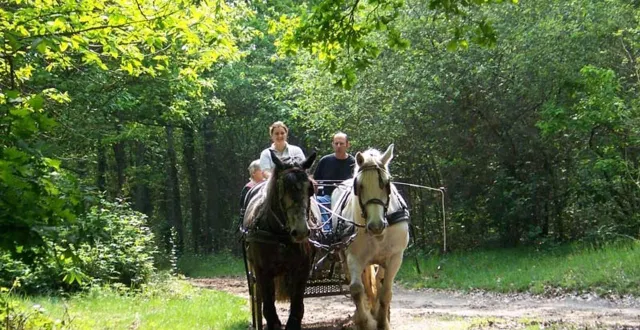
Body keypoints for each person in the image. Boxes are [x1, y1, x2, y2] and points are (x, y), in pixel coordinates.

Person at [313, 132, 355, 231]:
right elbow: (315, 181)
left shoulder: (354, 162)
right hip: (327, 198)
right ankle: (327, 230)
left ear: (348, 144)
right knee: (317, 201)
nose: (338, 146)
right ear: (332, 145)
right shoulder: (325, 160)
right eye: (336, 143)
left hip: (347, 200)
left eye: (341, 143)